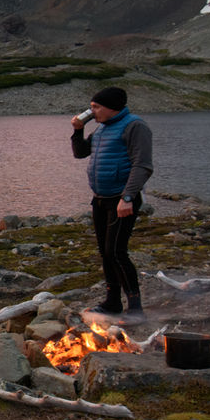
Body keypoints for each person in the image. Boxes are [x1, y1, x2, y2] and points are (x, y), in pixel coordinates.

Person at [71, 86, 153, 320]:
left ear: (110, 107)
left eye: (95, 107)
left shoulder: (135, 126)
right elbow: (80, 153)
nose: (91, 110)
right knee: (105, 253)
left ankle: (136, 308)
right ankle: (113, 302)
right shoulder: (102, 129)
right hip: (100, 199)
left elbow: (142, 165)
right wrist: (78, 130)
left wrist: (127, 197)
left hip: (122, 199)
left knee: (116, 251)